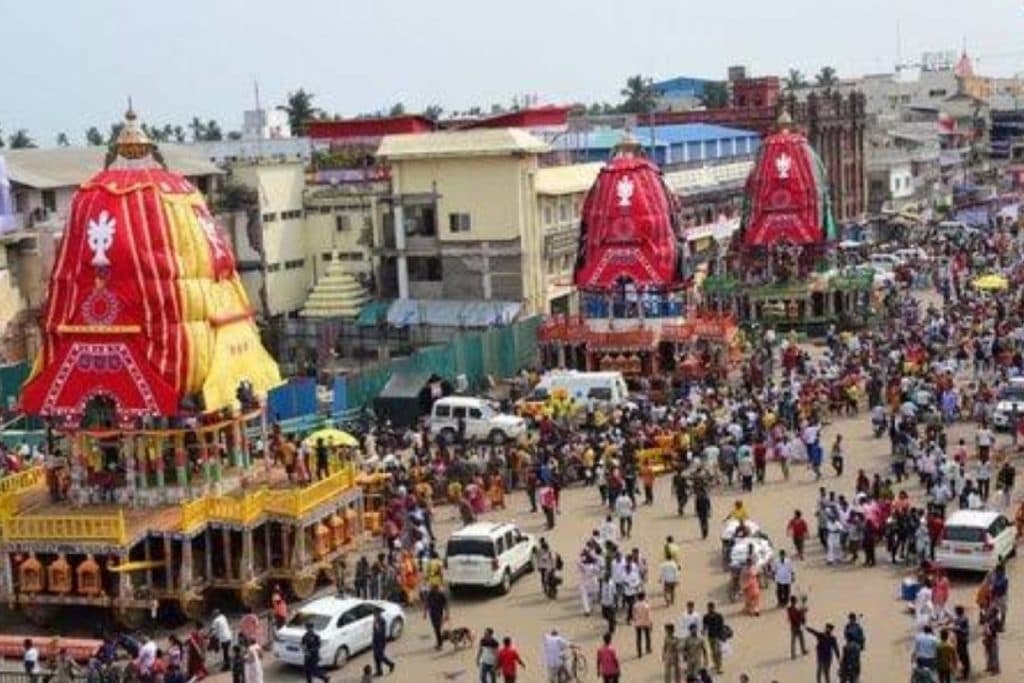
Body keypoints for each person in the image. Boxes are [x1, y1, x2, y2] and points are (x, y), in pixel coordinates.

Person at [701, 601, 726, 674]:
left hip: (717, 636)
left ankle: (719, 667)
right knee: (713, 652)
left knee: (717, 651)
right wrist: (703, 632)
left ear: (713, 608)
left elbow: (722, 626)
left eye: (711, 607)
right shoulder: (706, 617)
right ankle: (716, 664)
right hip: (710, 637)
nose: (710, 609)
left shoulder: (719, 616)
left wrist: (723, 636)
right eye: (709, 608)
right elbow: (705, 626)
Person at [424, 584, 449, 650]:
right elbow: (427, 603)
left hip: (439, 614)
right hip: (432, 614)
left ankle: (440, 644)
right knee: (436, 629)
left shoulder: (441, 594)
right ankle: (439, 642)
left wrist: (447, 614)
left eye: (432, 587)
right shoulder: (430, 594)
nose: (430, 588)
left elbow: (446, 605)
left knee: (437, 629)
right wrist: (425, 613)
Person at [372, 612, 396, 676]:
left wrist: (377, 627)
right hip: (376, 641)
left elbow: (380, 632)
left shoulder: (382, 621)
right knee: (376, 657)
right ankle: (379, 671)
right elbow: (374, 632)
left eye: (375, 615)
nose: (374, 616)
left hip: (380, 642)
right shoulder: (376, 621)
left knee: (380, 656)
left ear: (379, 614)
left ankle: (391, 664)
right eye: (374, 615)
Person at [952, 605, 971, 680]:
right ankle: (964, 671)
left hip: (962, 640)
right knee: (961, 655)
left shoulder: (963, 619)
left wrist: (950, 628)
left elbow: (957, 628)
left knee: (963, 656)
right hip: (960, 639)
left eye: (956, 611)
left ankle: (965, 674)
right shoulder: (960, 618)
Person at [786, 595, 808, 659]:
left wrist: (802, 609)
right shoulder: (793, 609)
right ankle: (799, 652)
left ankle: (797, 653)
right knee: (796, 640)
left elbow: (802, 612)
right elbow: (797, 616)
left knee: (797, 639)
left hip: (794, 626)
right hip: (796, 626)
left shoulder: (790, 609)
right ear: (794, 601)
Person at [632, 592, 653, 658]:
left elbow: (633, 615)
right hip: (645, 623)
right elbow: (649, 615)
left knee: (638, 638)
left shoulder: (635, 605)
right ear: (644, 597)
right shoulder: (646, 605)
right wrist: (650, 623)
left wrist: (635, 620)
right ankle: (648, 648)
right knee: (647, 636)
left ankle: (639, 652)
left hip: (638, 623)